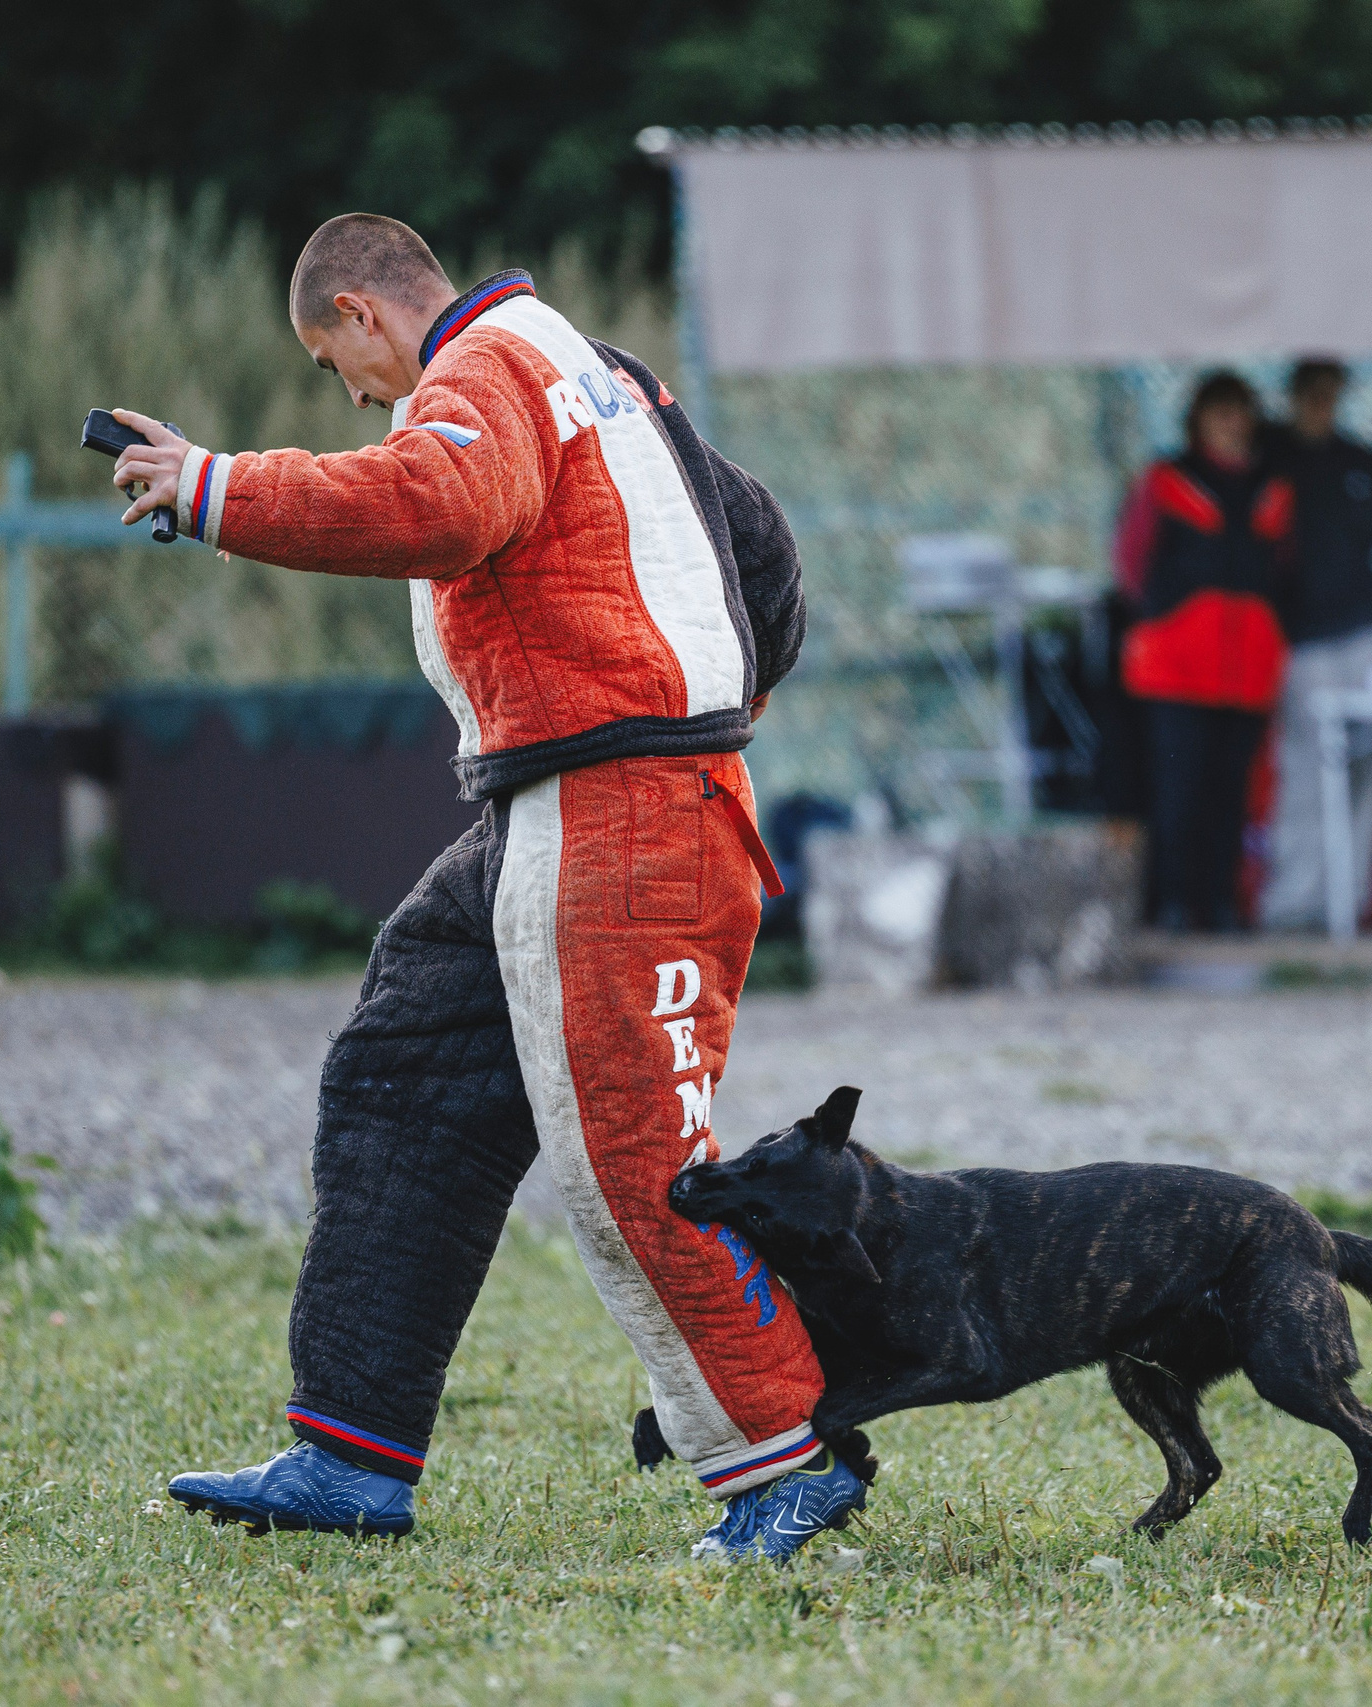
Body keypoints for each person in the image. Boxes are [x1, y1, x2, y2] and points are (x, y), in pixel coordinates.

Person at [106, 215, 862, 1562]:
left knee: (633, 1158)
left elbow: (436, 504)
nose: (354, 398)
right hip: (567, 800)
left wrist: (213, 486)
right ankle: (351, 1452)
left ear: (361, 309)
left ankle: (785, 1458)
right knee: (402, 1077)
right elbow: (757, 541)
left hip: (619, 807)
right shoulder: (594, 368)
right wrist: (717, 701)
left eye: (334, 363)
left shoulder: (483, 372)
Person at [1254, 359, 1372, 932]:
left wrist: (1364, 525)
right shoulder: (1271, 458)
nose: (1321, 404)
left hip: (1366, 635)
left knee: (1367, 769)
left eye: (1330, 393)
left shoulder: (1357, 461)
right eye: (1310, 393)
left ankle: (1355, 902)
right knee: (1306, 771)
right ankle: (1296, 905)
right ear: (1292, 395)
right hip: (1304, 641)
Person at [1115, 370, 1292, 932]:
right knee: (1177, 789)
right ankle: (1170, 903)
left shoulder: (1273, 489)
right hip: (1176, 668)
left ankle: (1220, 902)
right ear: (1198, 421)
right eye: (1220, 413)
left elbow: (1285, 570)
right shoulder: (1166, 481)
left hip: (1247, 670)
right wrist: (1168, 615)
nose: (1232, 424)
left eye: (1240, 412)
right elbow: (1130, 564)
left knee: (1232, 791)